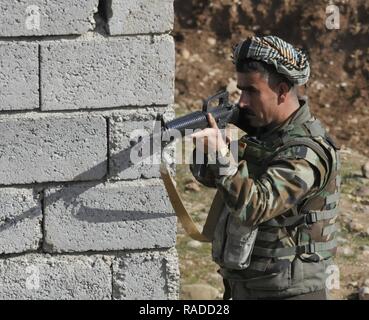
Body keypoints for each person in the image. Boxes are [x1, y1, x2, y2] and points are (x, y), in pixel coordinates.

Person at [190, 35, 340, 300]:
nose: (242, 102)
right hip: (246, 287)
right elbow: (212, 180)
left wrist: (222, 155)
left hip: (289, 293)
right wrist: (210, 151)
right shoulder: (265, 135)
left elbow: (255, 206)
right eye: (241, 90)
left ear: (282, 90)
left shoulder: (305, 152)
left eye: (252, 91)